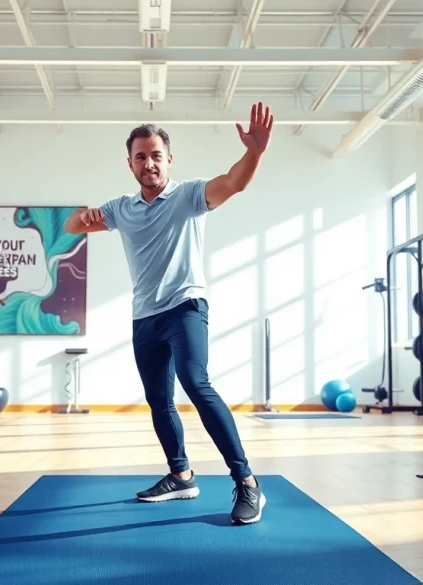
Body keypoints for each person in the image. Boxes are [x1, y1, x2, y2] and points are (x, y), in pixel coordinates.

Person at [63, 102, 274, 525]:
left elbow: (234, 182)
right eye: (140, 156)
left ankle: (248, 482)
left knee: (196, 383)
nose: (149, 163)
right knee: (159, 400)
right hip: (145, 316)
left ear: (168, 159)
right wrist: (82, 217)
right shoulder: (122, 208)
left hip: (186, 307)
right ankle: (181, 475)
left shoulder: (190, 195)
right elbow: (71, 227)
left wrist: (255, 152)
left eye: (156, 155)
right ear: (130, 163)